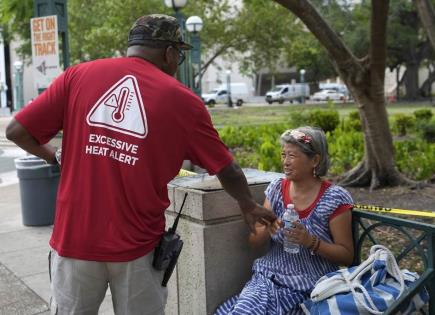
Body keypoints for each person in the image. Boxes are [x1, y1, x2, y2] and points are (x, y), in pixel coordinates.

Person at [5, 14, 276, 315]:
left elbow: (16, 132)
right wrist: (247, 204)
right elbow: (228, 169)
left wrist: (54, 155)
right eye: (180, 55)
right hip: (138, 249)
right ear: (170, 52)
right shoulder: (184, 102)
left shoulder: (78, 75)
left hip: (74, 240)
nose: (179, 62)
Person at [215, 126, 354, 315]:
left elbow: (346, 255)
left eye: (292, 156)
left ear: (315, 160)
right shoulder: (277, 189)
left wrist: (310, 241)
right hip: (268, 279)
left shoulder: (334, 198)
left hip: (310, 287)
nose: (285, 162)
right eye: (283, 155)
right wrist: (268, 229)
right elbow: (254, 241)